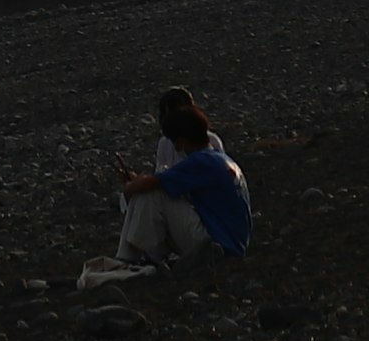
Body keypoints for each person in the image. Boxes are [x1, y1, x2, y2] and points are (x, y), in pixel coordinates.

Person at [94, 87, 251, 276]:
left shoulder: (200, 161)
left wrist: (131, 188)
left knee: (151, 193)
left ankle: (129, 257)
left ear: (182, 141)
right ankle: (135, 256)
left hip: (217, 244)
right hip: (230, 239)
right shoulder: (216, 158)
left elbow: (153, 184)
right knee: (155, 189)